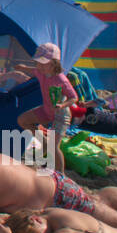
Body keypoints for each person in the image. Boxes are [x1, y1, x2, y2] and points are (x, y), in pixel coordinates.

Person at [15, 43, 77, 173]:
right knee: (23, 120)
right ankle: (42, 142)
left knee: (53, 147)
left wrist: (62, 105)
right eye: (38, 63)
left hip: (61, 115)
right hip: (47, 110)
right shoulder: (41, 72)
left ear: (54, 64)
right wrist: (23, 67)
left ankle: (61, 175)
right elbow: (33, 70)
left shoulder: (60, 79)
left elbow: (74, 98)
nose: (40, 66)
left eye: (44, 63)